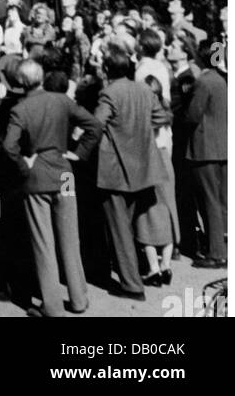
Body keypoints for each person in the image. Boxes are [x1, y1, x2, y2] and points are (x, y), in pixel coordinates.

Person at [3, 58, 101, 318]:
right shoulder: (62, 100)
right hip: (64, 173)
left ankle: (53, 306)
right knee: (70, 236)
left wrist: (25, 167)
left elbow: (9, 147)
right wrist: (79, 154)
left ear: (20, 82)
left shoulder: (20, 110)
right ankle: (79, 298)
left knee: (43, 243)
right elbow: (94, 125)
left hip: (37, 176)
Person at [94, 44, 170, 300]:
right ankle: (136, 272)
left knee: (119, 228)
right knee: (130, 222)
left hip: (115, 170)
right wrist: (140, 129)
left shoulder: (108, 93)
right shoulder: (143, 90)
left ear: (106, 69)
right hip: (143, 167)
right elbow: (161, 116)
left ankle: (131, 283)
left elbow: (96, 125)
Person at [184, 38, 227, 269]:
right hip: (223, 147)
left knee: (209, 201)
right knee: (221, 201)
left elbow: (192, 115)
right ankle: (222, 247)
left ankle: (215, 253)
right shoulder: (223, 80)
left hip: (205, 148)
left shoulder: (204, 82)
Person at [134, 75, 179, 287]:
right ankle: (166, 265)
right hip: (167, 164)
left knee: (147, 216)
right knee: (168, 214)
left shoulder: (144, 119)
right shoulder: (166, 115)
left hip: (151, 162)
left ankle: (153, 268)